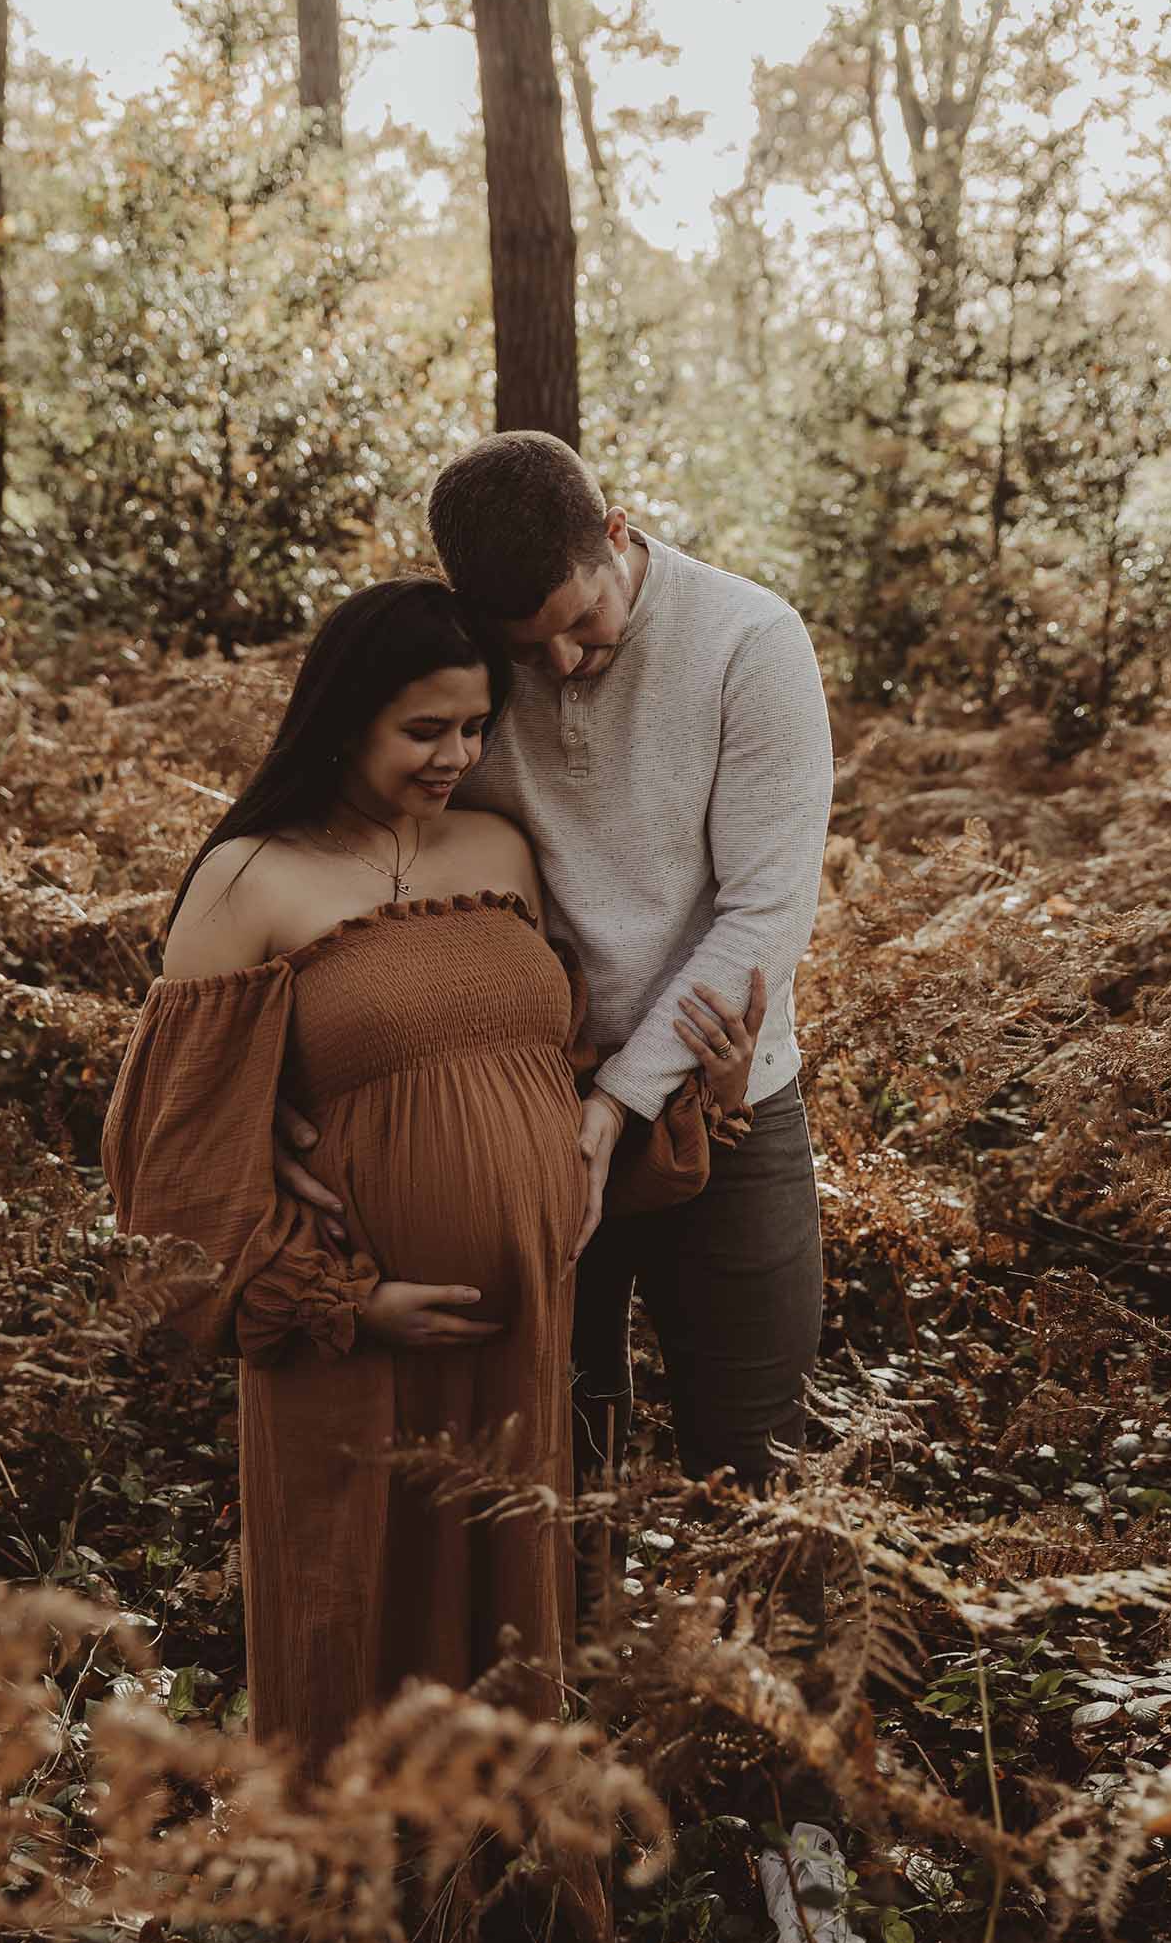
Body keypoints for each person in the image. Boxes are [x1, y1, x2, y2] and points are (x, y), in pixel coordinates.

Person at [99, 577, 764, 1804]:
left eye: (473, 727)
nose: (458, 756)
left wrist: (690, 1098)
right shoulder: (251, 880)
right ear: (344, 717)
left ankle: (503, 1895)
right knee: (359, 1604)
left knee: (512, 1615)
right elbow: (170, 1165)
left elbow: (551, 1073)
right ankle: (356, 1895)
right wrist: (346, 1301)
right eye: (425, 731)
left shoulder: (499, 847)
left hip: (522, 1332)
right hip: (359, 1341)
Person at [275, 437, 835, 1524]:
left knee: (760, 1450)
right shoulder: (466, 666)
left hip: (722, 1100)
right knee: (552, 1452)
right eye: (534, 648)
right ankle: (574, 1679)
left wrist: (621, 1099)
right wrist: (292, 1086)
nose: (567, 663)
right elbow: (350, 856)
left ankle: (765, 1683)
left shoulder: (750, 642)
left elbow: (766, 912)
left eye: (585, 625)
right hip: (525, 1105)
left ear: (618, 534)